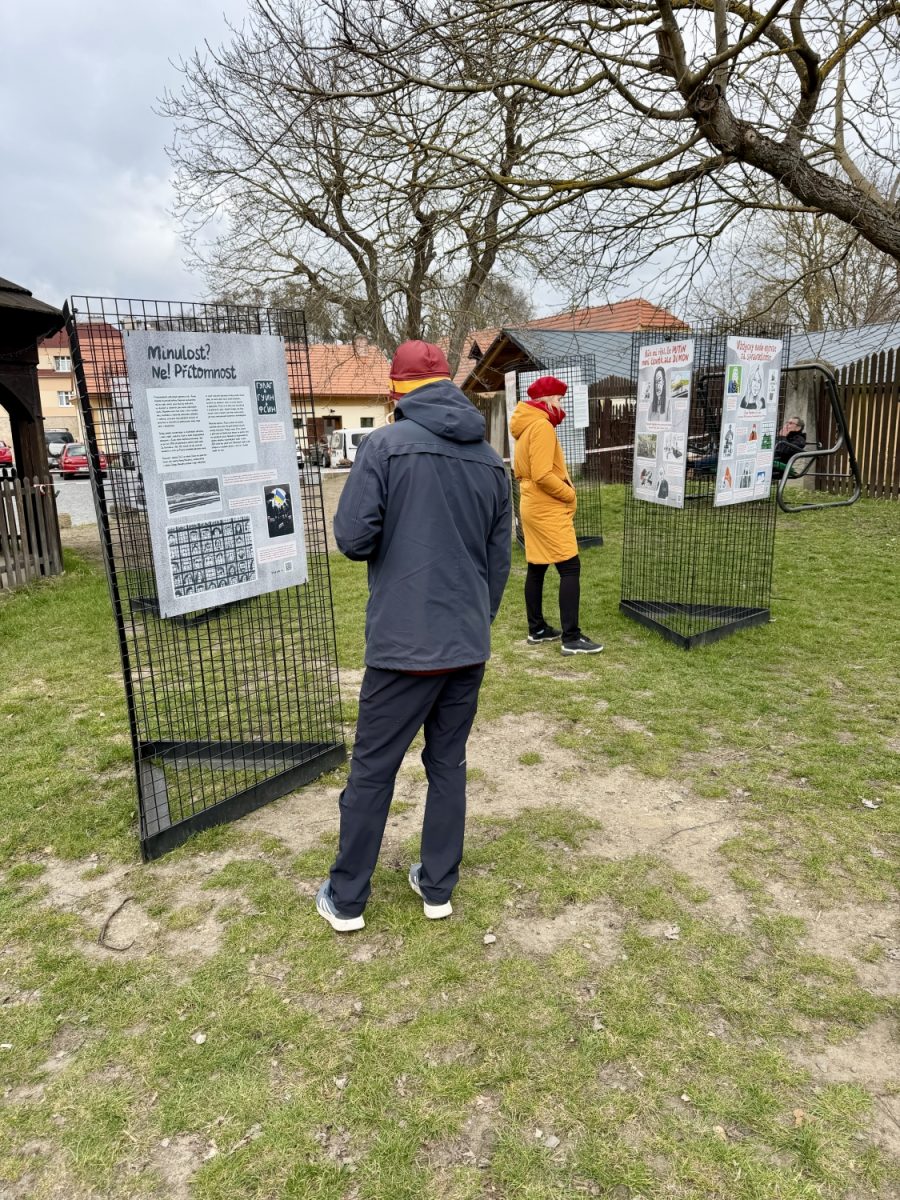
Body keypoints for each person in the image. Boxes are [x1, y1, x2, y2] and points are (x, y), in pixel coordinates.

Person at [315, 340, 512, 933]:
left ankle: (347, 898)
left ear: (396, 390)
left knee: (373, 769)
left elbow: (352, 538)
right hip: (466, 641)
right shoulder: (491, 460)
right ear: (448, 384)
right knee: (448, 763)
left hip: (404, 643)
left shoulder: (382, 446)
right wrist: (476, 621)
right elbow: (498, 562)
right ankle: (437, 888)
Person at [509, 375, 603, 656]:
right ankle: (571, 638)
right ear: (548, 399)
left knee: (537, 565)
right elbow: (542, 474)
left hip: (531, 504)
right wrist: (569, 494)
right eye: (560, 399)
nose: (562, 405)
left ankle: (537, 629)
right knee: (570, 567)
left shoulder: (527, 425)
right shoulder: (541, 426)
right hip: (546, 506)